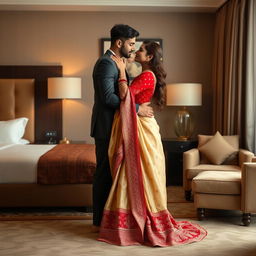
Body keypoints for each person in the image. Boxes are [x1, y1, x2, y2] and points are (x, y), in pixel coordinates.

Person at [98, 41, 207, 246]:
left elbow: (125, 96)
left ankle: (139, 221)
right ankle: (130, 219)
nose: (136, 51)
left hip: (142, 129)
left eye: (141, 50)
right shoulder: (144, 75)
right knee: (135, 172)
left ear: (149, 57)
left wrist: (121, 71)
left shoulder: (147, 76)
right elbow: (131, 98)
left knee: (139, 172)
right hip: (139, 124)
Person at [90, 24, 153, 231]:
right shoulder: (106, 64)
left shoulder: (118, 62)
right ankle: (99, 221)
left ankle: (111, 219)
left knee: (115, 173)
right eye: (131, 44)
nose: (133, 48)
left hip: (117, 125)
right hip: (107, 127)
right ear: (119, 43)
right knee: (104, 173)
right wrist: (136, 109)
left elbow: (125, 89)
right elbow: (108, 98)